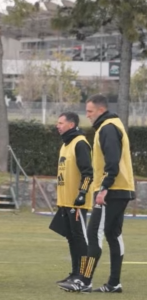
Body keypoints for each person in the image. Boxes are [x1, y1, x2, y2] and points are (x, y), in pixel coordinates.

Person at [60, 95, 134, 294]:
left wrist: (104, 188)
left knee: (94, 234)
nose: (87, 115)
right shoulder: (115, 124)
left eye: (90, 111)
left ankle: (84, 280)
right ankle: (114, 283)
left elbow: (112, 162)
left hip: (112, 189)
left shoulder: (107, 128)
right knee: (113, 234)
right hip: (123, 189)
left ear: (101, 110)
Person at [49, 112, 93, 286]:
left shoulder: (80, 143)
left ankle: (85, 277)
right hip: (65, 201)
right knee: (72, 237)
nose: (57, 125)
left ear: (71, 124)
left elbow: (88, 172)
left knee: (81, 238)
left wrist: (82, 193)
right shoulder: (65, 145)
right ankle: (75, 273)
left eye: (60, 123)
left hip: (77, 202)